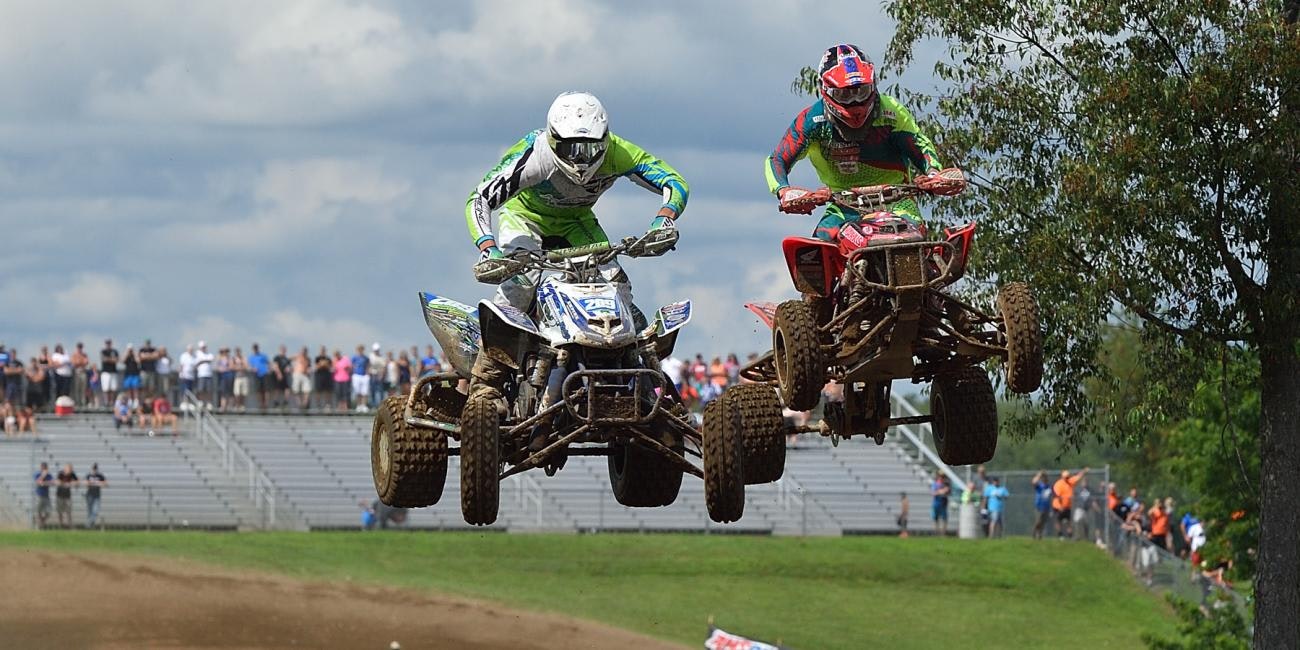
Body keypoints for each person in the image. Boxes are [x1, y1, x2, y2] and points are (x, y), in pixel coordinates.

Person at [463, 91, 688, 397]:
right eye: (569, 148)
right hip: (525, 218)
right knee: (520, 286)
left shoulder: (619, 153)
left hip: (577, 221)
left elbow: (674, 181)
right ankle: (485, 385)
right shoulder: (535, 156)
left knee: (617, 287)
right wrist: (488, 248)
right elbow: (480, 198)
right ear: (552, 137)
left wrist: (664, 219)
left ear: (604, 139)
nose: (579, 158)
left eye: (589, 147)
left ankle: (643, 382)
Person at [765, 44, 960, 249]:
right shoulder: (812, 121)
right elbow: (777, 159)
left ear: (873, 85)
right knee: (817, 252)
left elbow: (920, 145)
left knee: (916, 240)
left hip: (898, 202)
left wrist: (933, 174)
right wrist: (784, 191)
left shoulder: (891, 112)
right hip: (844, 206)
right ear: (826, 89)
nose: (855, 102)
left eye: (862, 91)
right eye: (845, 95)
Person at [1051, 467, 1088, 539]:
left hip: (1067, 506)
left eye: (1068, 477)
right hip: (1058, 506)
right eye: (1065, 477)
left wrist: (1084, 471)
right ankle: (1060, 535)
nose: (1067, 478)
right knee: (1058, 521)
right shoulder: (1059, 484)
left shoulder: (1070, 481)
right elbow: (1057, 496)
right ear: (1062, 477)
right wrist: (1060, 506)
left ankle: (1070, 535)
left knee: (1068, 521)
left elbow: (1078, 476)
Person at [55, 463, 79, 529]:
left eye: (71, 470)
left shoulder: (72, 474)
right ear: (65, 469)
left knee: (69, 511)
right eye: (69, 469)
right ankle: (60, 525)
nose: (70, 471)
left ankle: (70, 525)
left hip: (68, 496)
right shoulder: (61, 473)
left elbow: (77, 482)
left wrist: (72, 483)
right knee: (60, 511)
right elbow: (57, 482)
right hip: (59, 495)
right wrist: (64, 483)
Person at [84, 463, 107, 528]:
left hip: (97, 495)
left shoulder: (100, 476)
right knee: (90, 511)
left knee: (96, 510)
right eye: (93, 469)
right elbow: (86, 483)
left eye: (95, 469)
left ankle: (88, 524)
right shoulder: (89, 475)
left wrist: (97, 483)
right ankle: (91, 525)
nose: (94, 470)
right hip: (89, 495)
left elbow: (105, 483)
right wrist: (91, 483)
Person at [1031, 470, 1052, 540]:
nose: (1045, 479)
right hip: (1039, 506)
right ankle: (1034, 532)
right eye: (1044, 477)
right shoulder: (1039, 485)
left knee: (1043, 522)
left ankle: (1040, 535)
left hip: (1046, 507)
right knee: (1038, 521)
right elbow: (1033, 482)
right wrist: (1039, 474)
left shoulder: (1049, 487)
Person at [34, 462, 55, 528]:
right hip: (39, 495)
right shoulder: (37, 474)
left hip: (46, 496)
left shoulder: (49, 475)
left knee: (49, 511)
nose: (44, 469)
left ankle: (42, 522)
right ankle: (39, 524)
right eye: (43, 468)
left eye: (45, 468)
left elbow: (52, 482)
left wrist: (44, 483)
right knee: (38, 511)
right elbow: (38, 482)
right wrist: (43, 476)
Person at [100, 339, 120, 406]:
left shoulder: (115, 351)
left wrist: (109, 359)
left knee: (113, 388)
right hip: (105, 372)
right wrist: (112, 359)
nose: (108, 344)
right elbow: (104, 359)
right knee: (106, 388)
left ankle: (112, 402)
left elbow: (117, 360)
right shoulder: (103, 351)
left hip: (113, 372)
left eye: (109, 343)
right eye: (107, 343)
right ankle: (106, 402)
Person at [930, 471, 951, 535]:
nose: (942, 478)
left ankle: (943, 533)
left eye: (943, 476)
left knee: (944, 519)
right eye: (940, 476)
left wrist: (945, 491)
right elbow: (933, 493)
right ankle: (936, 533)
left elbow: (948, 492)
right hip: (936, 504)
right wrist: (942, 491)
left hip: (943, 504)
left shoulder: (946, 484)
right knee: (936, 519)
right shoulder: (935, 484)